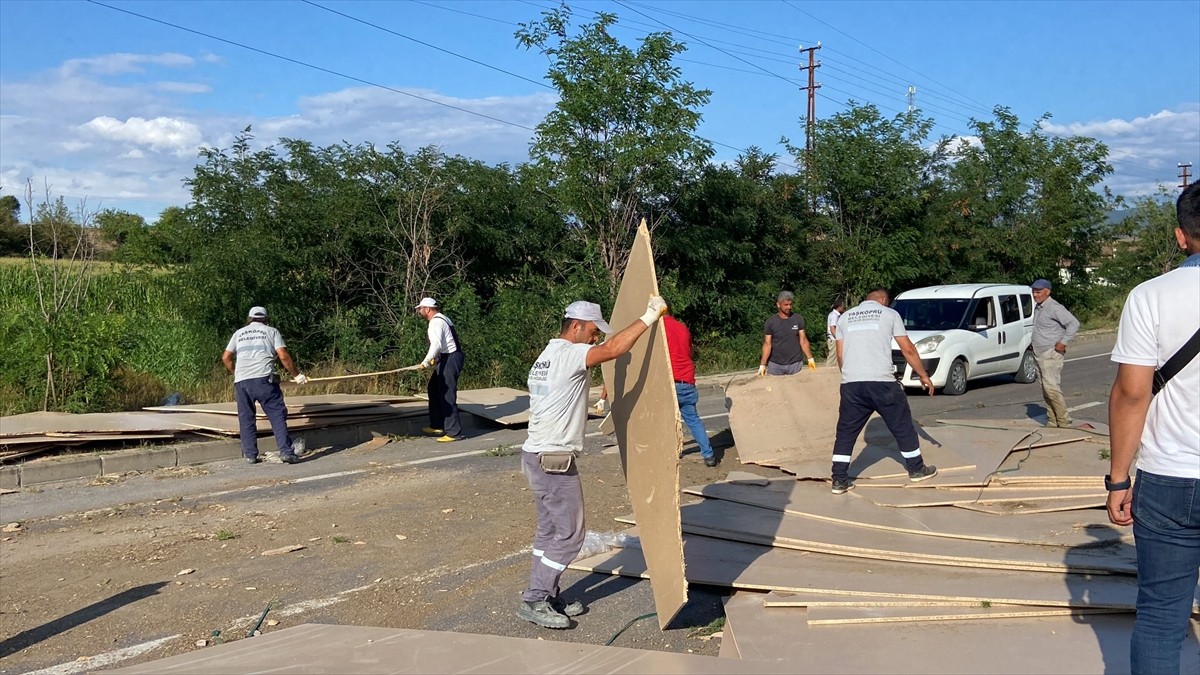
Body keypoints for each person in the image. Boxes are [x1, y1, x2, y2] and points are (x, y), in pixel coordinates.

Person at [518, 296, 667, 629]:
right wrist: (649, 315)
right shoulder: (571, 353)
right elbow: (614, 349)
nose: (596, 338)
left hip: (535, 455)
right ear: (575, 326)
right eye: (592, 331)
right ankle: (535, 598)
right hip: (553, 459)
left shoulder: (547, 355)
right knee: (571, 534)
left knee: (549, 532)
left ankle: (546, 593)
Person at [1105, 182, 1200, 675]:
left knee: (1163, 617)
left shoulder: (1150, 296)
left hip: (1168, 480)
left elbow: (1132, 393)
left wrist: (1118, 478)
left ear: (1181, 236)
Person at [830, 288, 936, 494]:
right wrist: (922, 375)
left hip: (852, 384)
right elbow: (907, 349)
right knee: (903, 426)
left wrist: (850, 377)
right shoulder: (889, 314)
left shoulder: (844, 318)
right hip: (882, 383)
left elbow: (840, 355)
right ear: (883, 300)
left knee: (845, 433)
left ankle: (839, 480)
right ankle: (916, 469)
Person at [221, 306, 307, 464]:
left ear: (249, 319)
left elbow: (226, 357)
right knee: (276, 414)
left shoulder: (238, 333)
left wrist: (236, 372)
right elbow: (283, 356)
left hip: (242, 382)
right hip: (263, 379)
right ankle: (286, 452)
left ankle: (250, 455)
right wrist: (297, 375)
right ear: (266, 319)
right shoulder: (271, 331)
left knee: (246, 418)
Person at [663, 308, 718, 467]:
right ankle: (709, 456)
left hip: (669, 382)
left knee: (664, 421)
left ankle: (669, 454)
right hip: (686, 380)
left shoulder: (659, 329)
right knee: (693, 420)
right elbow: (690, 350)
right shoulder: (682, 327)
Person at [1030, 279, 1080, 428]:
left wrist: (1063, 342)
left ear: (1047, 291)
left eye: (1038, 292)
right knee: (1045, 389)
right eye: (1033, 292)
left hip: (1050, 353)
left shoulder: (1054, 307)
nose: (1035, 295)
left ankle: (1064, 420)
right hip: (1039, 352)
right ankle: (1053, 420)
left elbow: (1074, 323)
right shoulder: (1039, 307)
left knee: (1051, 388)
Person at [415, 297, 464, 442]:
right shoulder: (443, 319)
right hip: (447, 357)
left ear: (427, 309)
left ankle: (454, 432)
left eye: (421, 308)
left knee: (447, 394)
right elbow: (446, 343)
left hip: (451, 358)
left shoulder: (435, 323)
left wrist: (425, 362)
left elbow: (435, 344)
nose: (419, 311)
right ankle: (437, 424)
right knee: (433, 388)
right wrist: (435, 359)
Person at [759, 290, 816, 376]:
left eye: (790, 304)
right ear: (778, 305)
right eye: (786, 305)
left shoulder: (798, 319)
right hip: (775, 365)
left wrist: (810, 359)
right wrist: (763, 364)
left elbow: (803, 340)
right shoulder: (771, 322)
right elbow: (767, 344)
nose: (789, 307)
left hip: (795, 364)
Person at [825, 299, 846, 368]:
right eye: (843, 306)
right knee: (832, 359)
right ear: (839, 307)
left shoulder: (833, 314)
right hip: (833, 339)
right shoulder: (834, 315)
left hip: (832, 339)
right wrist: (838, 339)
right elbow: (832, 328)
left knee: (835, 359)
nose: (844, 308)